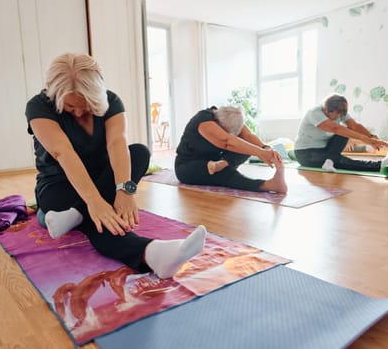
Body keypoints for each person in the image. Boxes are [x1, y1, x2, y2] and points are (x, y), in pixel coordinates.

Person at [25, 53, 206, 279]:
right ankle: (151, 253)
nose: (79, 112)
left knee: (139, 152)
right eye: (71, 107)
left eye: (87, 106)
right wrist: (94, 202)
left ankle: (74, 216)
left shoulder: (112, 101)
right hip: (58, 188)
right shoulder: (38, 106)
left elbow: (117, 143)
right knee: (98, 217)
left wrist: (124, 190)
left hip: (103, 180)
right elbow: (63, 151)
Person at [174, 105, 287, 193]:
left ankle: (223, 163)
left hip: (216, 161)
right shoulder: (203, 121)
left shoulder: (231, 118)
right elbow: (227, 142)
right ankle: (267, 185)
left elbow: (248, 136)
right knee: (220, 172)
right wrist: (260, 153)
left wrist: (265, 148)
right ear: (219, 124)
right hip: (188, 165)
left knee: (245, 146)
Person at [294, 94, 388, 172]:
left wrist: (372, 138)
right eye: (336, 115)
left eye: (340, 115)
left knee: (345, 131)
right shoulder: (314, 113)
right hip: (305, 153)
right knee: (340, 160)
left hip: (326, 150)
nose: (338, 118)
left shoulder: (339, 112)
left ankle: (329, 161)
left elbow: (354, 126)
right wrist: (364, 139)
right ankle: (380, 165)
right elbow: (335, 128)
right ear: (327, 110)